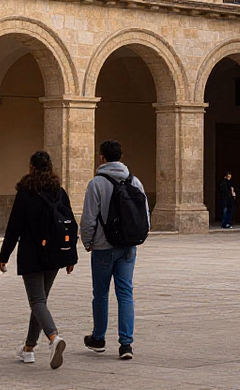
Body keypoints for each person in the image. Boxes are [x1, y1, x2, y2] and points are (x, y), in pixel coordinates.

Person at [0, 151, 78, 370]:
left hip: (33, 254)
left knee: (37, 301)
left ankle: (53, 338)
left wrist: (4, 256)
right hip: (55, 254)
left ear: (31, 167)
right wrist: (71, 255)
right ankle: (28, 349)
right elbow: (70, 224)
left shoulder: (25, 194)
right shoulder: (59, 192)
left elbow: (14, 228)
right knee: (39, 301)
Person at [80, 139, 149, 360]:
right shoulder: (134, 181)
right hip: (128, 246)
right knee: (125, 293)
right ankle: (126, 344)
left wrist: (87, 240)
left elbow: (89, 217)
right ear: (121, 156)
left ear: (102, 157)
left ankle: (98, 338)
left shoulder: (97, 183)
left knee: (100, 294)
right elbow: (145, 214)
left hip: (103, 246)